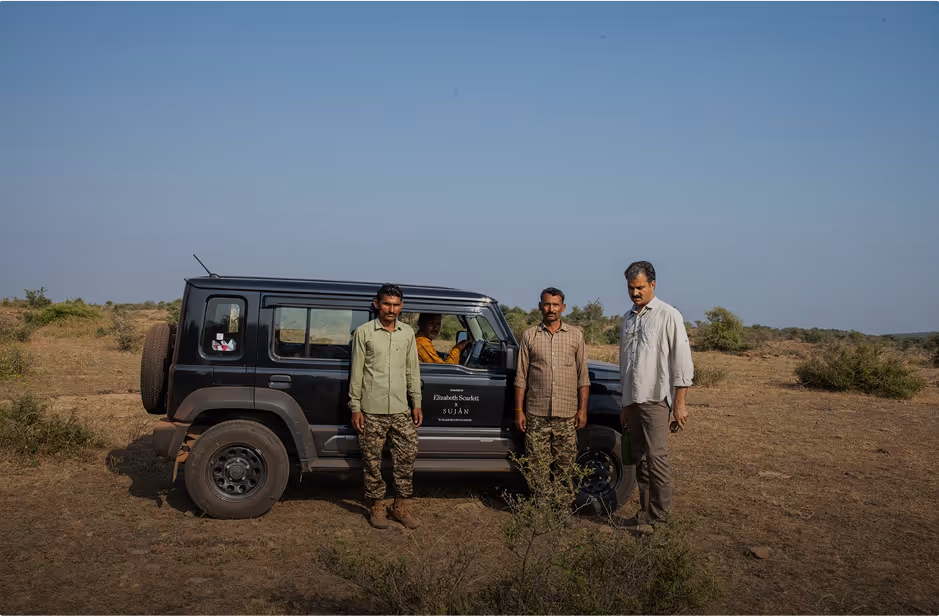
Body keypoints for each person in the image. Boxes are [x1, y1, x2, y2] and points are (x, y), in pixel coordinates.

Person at [618, 261, 694, 534]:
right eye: (630, 288)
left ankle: (661, 523)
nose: (635, 293)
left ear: (653, 284)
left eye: (640, 287)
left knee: (657, 458)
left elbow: (682, 360)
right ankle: (643, 516)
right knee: (640, 459)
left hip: (656, 399)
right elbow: (624, 362)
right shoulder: (627, 318)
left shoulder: (668, 315)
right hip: (633, 400)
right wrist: (625, 403)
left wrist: (680, 402)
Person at [349, 283, 423, 530]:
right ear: (377, 304)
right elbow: (356, 373)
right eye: (386, 304)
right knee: (372, 462)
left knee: (407, 458)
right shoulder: (364, 333)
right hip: (371, 410)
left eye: (395, 305)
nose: (391, 309)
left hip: (402, 409)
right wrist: (355, 407)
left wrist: (417, 403)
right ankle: (377, 507)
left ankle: (400, 507)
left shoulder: (407, 333)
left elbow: (413, 370)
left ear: (401, 307)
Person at [514, 287, 590, 477]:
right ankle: (542, 506)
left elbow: (583, 377)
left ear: (563, 307)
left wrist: (582, 410)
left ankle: (562, 507)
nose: (551, 309)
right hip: (536, 415)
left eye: (555, 305)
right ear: (540, 306)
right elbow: (521, 377)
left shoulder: (575, 335)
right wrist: (519, 411)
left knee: (565, 471)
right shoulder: (529, 336)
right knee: (537, 470)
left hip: (566, 416)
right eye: (547, 304)